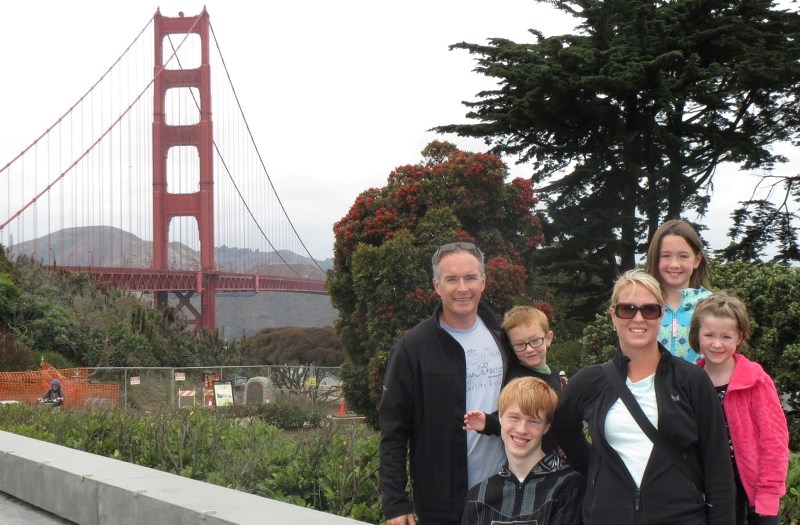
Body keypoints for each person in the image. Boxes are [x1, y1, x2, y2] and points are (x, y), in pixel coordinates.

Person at [554, 269, 735, 524]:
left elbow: (718, 468)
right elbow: (562, 429)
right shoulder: (590, 382)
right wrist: (598, 472)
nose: (638, 318)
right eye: (627, 309)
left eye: (649, 309)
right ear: (613, 316)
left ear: (661, 315)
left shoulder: (691, 381)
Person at [380, 242, 511, 525]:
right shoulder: (413, 347)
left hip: (505, 496)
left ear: (483, 282)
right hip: (441, 505)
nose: (462, 288)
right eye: (452, 279)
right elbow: (393, 430)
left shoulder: (503, 338)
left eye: (470, 277)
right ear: (437, 286)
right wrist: (395, 502)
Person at [690, 292, 789, 525]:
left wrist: (769, 492)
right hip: (712, 491)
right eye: (709, 335)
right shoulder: (691, 382)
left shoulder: (756, 380)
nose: (717, 344)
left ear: (739, 337)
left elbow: (774, 441)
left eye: (726, 336)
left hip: (756, 493)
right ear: (697, 335)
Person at [461, 377, 585, 525]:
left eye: (533, 421)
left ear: (546, 427)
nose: (522, 429)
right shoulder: (478, 496)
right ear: (500, 417)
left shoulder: (568, 488)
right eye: (514, 417)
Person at [463, 305, 564, 455]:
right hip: (531, 461)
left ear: (548, 338)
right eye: (520, 345)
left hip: (555, 458)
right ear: (511, 346)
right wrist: (488, 422)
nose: (529, 349)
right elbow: (511, 416)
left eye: (535, 341)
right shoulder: (518, 378)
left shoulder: (554, 374)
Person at [645, 219, 712, 363]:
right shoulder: (643, 306)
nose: (674, 264)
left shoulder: (711, 306)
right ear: (655, 259)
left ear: (697, 259)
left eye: (683, 256)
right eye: (665, 256)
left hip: (700, 384)